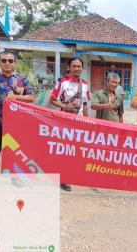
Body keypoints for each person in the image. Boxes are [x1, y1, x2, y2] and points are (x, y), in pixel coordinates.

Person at [0, 51, 34, 174]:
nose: (7, 63)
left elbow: (31, 98)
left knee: (17, 155)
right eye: (3, 60)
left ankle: (15, 184)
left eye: (10, 60)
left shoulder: (22, 79)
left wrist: (15, 97)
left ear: (15, 62)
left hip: (17, 125)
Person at [50, 57, 90, 191]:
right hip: (65, 122)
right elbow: (53, 99)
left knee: (76, 150)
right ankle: (63, 179)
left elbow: (85, 104)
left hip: (79, 123)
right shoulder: (62, 82)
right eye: (74, 66)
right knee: (65, 150)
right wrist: (64, 106)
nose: (77, 69)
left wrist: (87, 120)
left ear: (82, 68)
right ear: (69, 68)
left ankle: (71, 175)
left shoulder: (85, 84)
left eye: (79, 66)